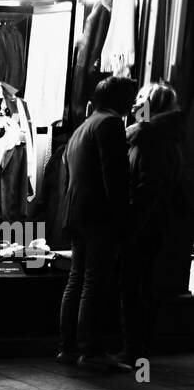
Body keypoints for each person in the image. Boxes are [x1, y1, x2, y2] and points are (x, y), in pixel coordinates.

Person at [59, 75, 137, 370]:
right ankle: (90, 351)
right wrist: (123, 217)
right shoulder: (111, 124)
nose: (133, 103)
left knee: (76, 279)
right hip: (99, 215)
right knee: (94, 281)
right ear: (118, 99)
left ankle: (67, 347)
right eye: (129, 97)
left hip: (77, 213)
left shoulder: (83, 127)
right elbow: (114, 176)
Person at [120, 82, 186, 367]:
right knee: (141, 286)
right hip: (154, 224)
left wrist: (132, 225)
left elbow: (148, 187)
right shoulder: (162, 137)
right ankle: (138, 347)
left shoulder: (149, 137)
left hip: (144, 225)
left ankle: (134, 350)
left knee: (134, 287)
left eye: (140, 101)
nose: (135, 106)